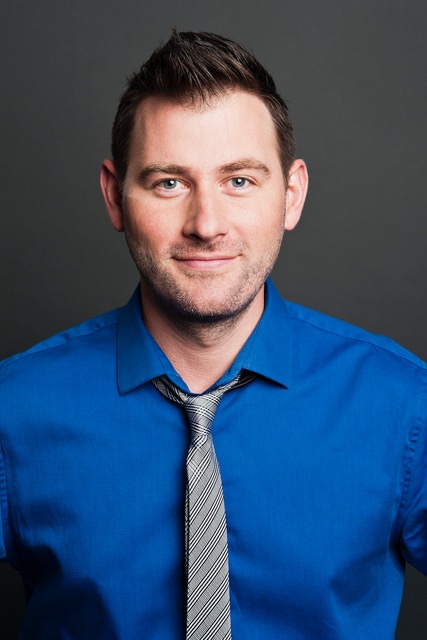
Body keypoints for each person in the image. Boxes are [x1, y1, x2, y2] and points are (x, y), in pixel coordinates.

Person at [0, 29, 426, 640]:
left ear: (291, 194)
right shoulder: (14, 409)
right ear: (115, 197)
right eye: (169, 182)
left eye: (240, 181)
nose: (205, 224)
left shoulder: (404, 405)